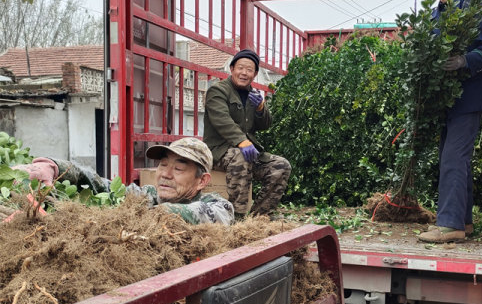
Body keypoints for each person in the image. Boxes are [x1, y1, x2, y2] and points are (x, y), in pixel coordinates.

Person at [418, 0, 482, 244]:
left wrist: (465, 60)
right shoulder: (434, 15)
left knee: (454, 158)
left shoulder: (473, 8)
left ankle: (449, 225)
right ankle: (463, 222)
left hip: (470, 98)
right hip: (447, 101)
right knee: (454, 159)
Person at [3, 137, 235, 225]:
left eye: (179, 168)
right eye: (163, 165)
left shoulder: (218, 207)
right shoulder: (148, 196)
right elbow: (101, 185)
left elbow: (195, 215)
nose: (166, 173)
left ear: (202, 181)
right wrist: (52, 165)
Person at [203, 48, 291, 219]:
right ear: (232, 69)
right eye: (240, 68)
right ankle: (237, 218)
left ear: (255, 73)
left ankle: (259, 217)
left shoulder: (253, 94)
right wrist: (242, 141)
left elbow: (265, 125)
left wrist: (260, 108)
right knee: (240, 156)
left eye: (249, 70)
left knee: (281, 166)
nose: (244, 73)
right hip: (218, 152)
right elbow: (222, 120)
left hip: (246, 152)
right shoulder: (218, 91)